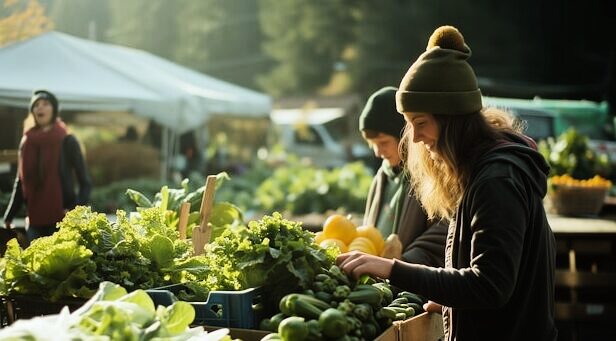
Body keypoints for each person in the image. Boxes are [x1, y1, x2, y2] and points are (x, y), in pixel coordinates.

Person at [338, 26, 557, 340]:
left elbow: (490, 285)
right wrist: (453, 299)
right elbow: (485, 282)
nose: (414, 137)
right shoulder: (477, 174)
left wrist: (391, 268)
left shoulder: (497, 181)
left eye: (421, 123)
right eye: (409, 124)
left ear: (452, 118)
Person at [359, 86, 448, 266]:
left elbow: (443, 229)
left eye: (383, 143)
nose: (378, 152)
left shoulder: (428, 176)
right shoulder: (381, 176)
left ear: (405, 138)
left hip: (411, 280)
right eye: (372, 144)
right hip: (379, 280)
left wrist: (404, 262)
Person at [3, 90, 92, 243]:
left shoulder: (68, 141)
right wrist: (9, 215)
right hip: (34, 220)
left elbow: (85, 183)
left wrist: (73, 210)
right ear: (32, 111)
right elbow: (21, 182)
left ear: (54, 110)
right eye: (36, 105)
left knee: (61, 266)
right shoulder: (26, 141)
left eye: (45, 104)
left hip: (63, 220)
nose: (40, 108)